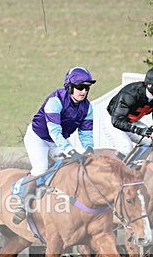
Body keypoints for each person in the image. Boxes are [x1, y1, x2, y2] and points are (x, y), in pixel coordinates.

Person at [14, 66, 96, 224]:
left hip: (57, 141)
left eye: (87, 87)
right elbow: (55, 132)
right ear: (70, 87)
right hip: (38, 137)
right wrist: (70, 150)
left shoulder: (88, 107)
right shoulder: (55, 101)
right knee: (41, 169)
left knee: (70, 166)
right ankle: (22, 205)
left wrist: (89, 150)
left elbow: (86, 133)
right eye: (80, 87)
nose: (84, 91)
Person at [107, 66, 153, 156]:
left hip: (131, 122)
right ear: (150, 85)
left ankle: (137, 166)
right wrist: (138, 130)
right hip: (113, 121)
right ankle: (117, 169)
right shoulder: (130, 94)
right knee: (126, 148)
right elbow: (116, 121)